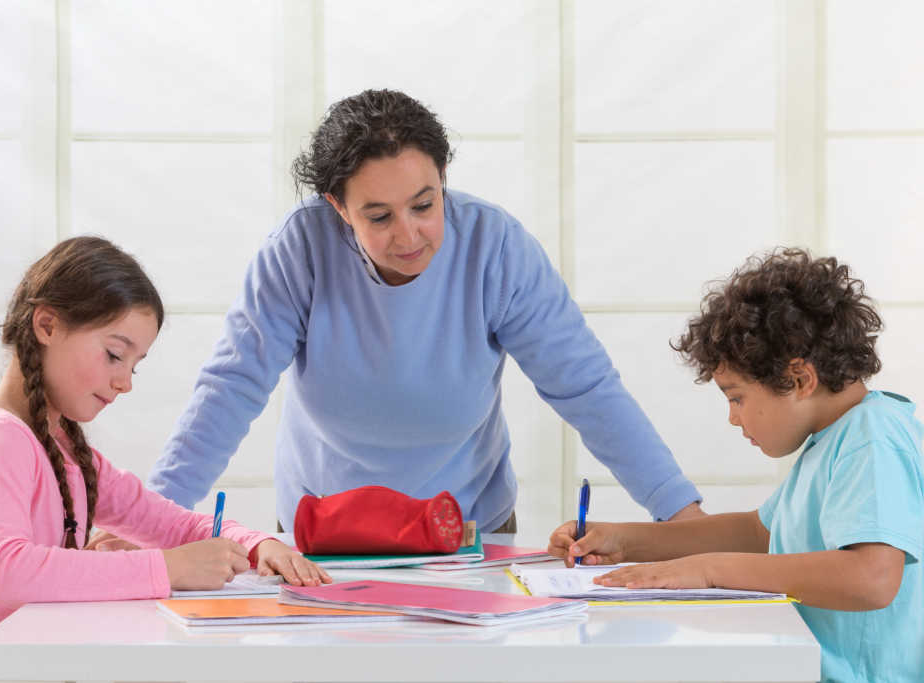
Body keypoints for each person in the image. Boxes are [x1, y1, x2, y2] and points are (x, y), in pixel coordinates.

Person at [143, 88, 703, 534]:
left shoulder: (495, 247)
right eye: (379, 216)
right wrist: (154, 517)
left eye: (425, 204)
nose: (409, 235)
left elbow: (585, 387)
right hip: (327, 529)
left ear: (443, 182)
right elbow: (232, 386)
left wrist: (678, 513)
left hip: (469, 526)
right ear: (338, 207)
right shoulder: (299, 250)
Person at [0, 237, 329, 683]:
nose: (125, 382)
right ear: (46, 325)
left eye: (134, 365)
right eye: (113, 355)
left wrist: (261, 545)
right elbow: (7, 570)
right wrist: (168, 567)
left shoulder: (68, 451)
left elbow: (176, 524)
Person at [548, 248, 923, 683]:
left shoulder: (872, 437)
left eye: (736, 397)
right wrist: (624, 539)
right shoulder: (833, 440)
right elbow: (760, 533)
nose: (733, 418)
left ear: (799, 379)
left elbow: (872, 578)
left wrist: (710, 570)